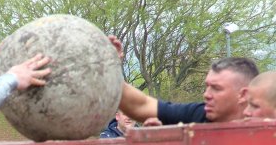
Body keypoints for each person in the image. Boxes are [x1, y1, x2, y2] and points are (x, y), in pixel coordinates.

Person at [109, 36, 259, 125]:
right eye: (207, 87)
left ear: (243, 95)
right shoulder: (199, 115)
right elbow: (140, 106)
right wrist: (109, 67)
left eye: (217, 88)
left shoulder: (271, 123)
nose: (206, 94)